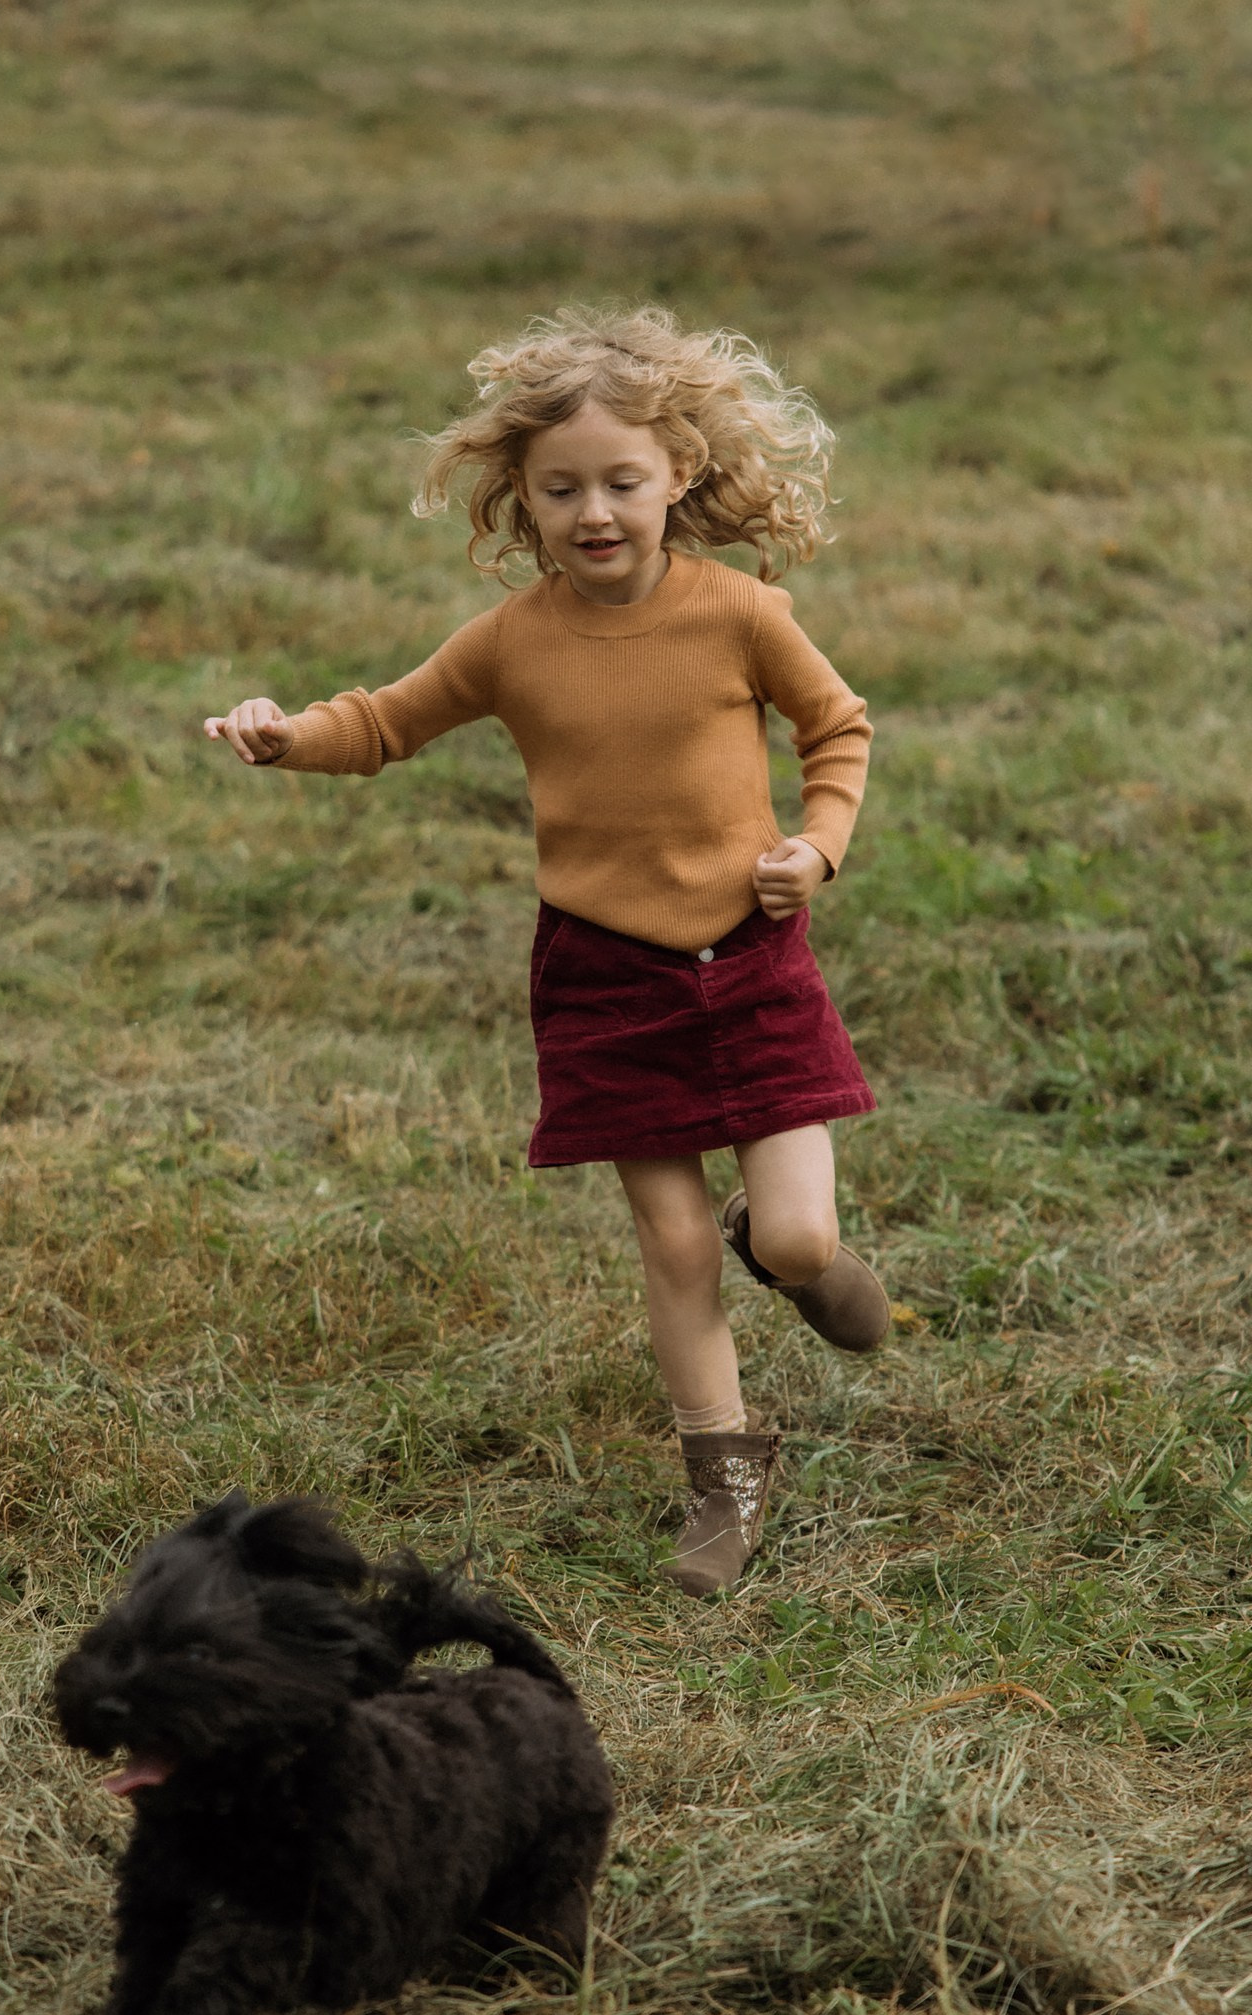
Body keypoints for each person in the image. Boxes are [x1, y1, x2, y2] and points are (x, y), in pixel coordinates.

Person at [204, 305, 889, 1598]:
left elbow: (837, 727)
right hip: (604, 976)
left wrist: (820, 845)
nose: (595, 512)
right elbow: (386, 721)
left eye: (622, 482)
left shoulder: (742, 613)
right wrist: (286, 733)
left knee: (792, 1239)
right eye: (559, 487)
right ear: (518, 496)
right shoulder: (514, 640)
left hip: (749, 958)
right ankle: (725, 1483)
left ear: (677, 476)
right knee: (672, 1243)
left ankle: (793, 1259)